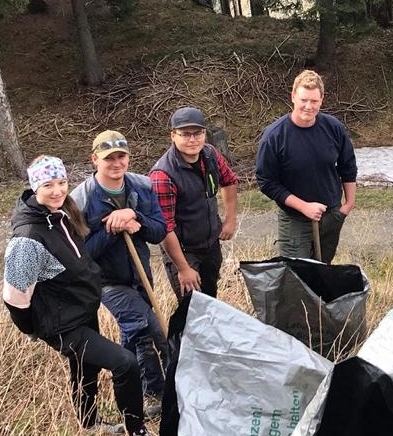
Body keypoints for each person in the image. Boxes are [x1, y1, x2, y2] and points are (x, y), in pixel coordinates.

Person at [2, 155, 155, 436]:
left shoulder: (58, 215)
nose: (58, 190)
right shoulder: (28, 238)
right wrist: (33, 329)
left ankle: (88, 424)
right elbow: (14, 297)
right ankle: (137, 433)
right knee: (125, 363)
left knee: (86, 367)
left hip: (78, 311)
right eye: (48, 185)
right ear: (35, 187)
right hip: (60, 323)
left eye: (62, 183)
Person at [71, 131, 170, 418]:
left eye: (121, 156)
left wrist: (135, 217)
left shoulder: (141, 186)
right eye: (108, 158)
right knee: (153, 330)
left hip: (141, 276)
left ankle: (145, 390)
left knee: (136, 333)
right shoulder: (82, 199)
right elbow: (82, 253)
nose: (116, 163)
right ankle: (164, 391)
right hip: (108, 282)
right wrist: (113, 230)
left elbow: (159, 230)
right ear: (95, 160)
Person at [256, 70, 357, 263]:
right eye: (303, 100)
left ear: (321, 100)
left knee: (322, 272)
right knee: (297, 275)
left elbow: (348, 166)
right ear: (293, 96)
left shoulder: (333, 128)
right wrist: (304, 207)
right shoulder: (274, 136)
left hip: (331, 216)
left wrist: (348, 205)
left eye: (314, 101)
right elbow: (266, 182)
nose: (308, 106)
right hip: (295, 219)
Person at [150, 107, 239, 299]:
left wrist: (230, 220)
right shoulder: (162, 175)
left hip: (210, 244)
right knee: (191, 308)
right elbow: (166, 228)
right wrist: (183, 268)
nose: (193, 140)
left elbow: (230, 181)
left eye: (198, 133)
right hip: (182, 251)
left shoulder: (210, 154)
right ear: (173, 135)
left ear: (205, 133)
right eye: (185, 134)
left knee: (211, 301)